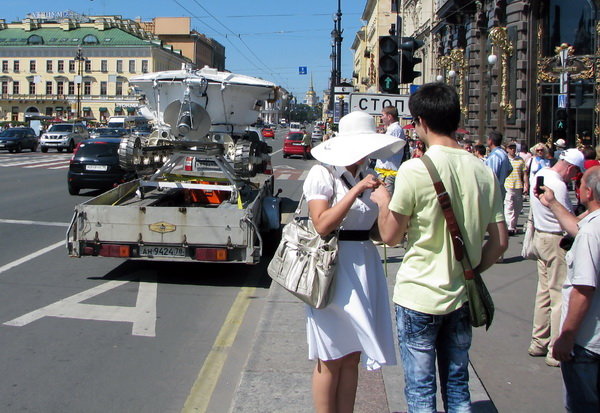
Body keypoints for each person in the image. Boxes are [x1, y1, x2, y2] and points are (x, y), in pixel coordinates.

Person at [371, 83, 508, 412]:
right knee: (458, 384)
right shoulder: (483, 170)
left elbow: (390, 236)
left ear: (421, 123)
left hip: (418, 296)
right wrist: (470, 268)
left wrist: (382, 200)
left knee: (420, 390)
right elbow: (500, 242)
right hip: (461, 296)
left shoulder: (415, 170)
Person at [304, 110, 402, 413]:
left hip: (363, 265)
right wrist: (357, 191)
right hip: (331, 269)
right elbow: (321, 224)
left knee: (352, 354)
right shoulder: (323, 174)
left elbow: (377, 232)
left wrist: (386, 206)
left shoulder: (368, 174)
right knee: (330, 354)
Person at [535, 166, 600, 412]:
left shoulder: (591, 233)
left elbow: (583, 289)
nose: (577, 188)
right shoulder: (591, 226)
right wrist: (551, 203)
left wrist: (566, 337)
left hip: (587, 342)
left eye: (581, 185)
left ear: (589, 193)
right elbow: (576, 226)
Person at [529, 148, 585, 367]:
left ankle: (538, 341)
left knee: (543, 292)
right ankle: (554, 349)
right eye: (575, 173)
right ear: (570, 167)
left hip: (540, 237)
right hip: (555, 239)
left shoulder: (540, 174)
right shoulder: (559, 185)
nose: (573, 178)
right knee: (559, 296)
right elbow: (566, 217)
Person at [374, 106, 407, 194]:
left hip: (387, 171)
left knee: (385, 199)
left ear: (389, 117)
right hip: (385, 171)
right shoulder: (392, 129)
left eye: (383, 115)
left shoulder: (394, 129)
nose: (381, 118)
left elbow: (385, 146)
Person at [504, 142, 528, 235]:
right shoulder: (505, 160)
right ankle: (510, 227)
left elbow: (524, 173)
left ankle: (513, 225)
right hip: (508, 186)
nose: (513, 149)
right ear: (507, 149)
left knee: (517, 207)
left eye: (514, 148)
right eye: (511, 148)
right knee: (509, 206)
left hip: (518, 186)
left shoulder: (520, 160)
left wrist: (526, 185)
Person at [485, 131, 513, 199]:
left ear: (490, 141)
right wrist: (502, 177)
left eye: (487, 139)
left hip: (493, 192)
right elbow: (510, 169)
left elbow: (492, 175)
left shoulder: (495, 156)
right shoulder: (503, 153)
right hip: (500, 189)